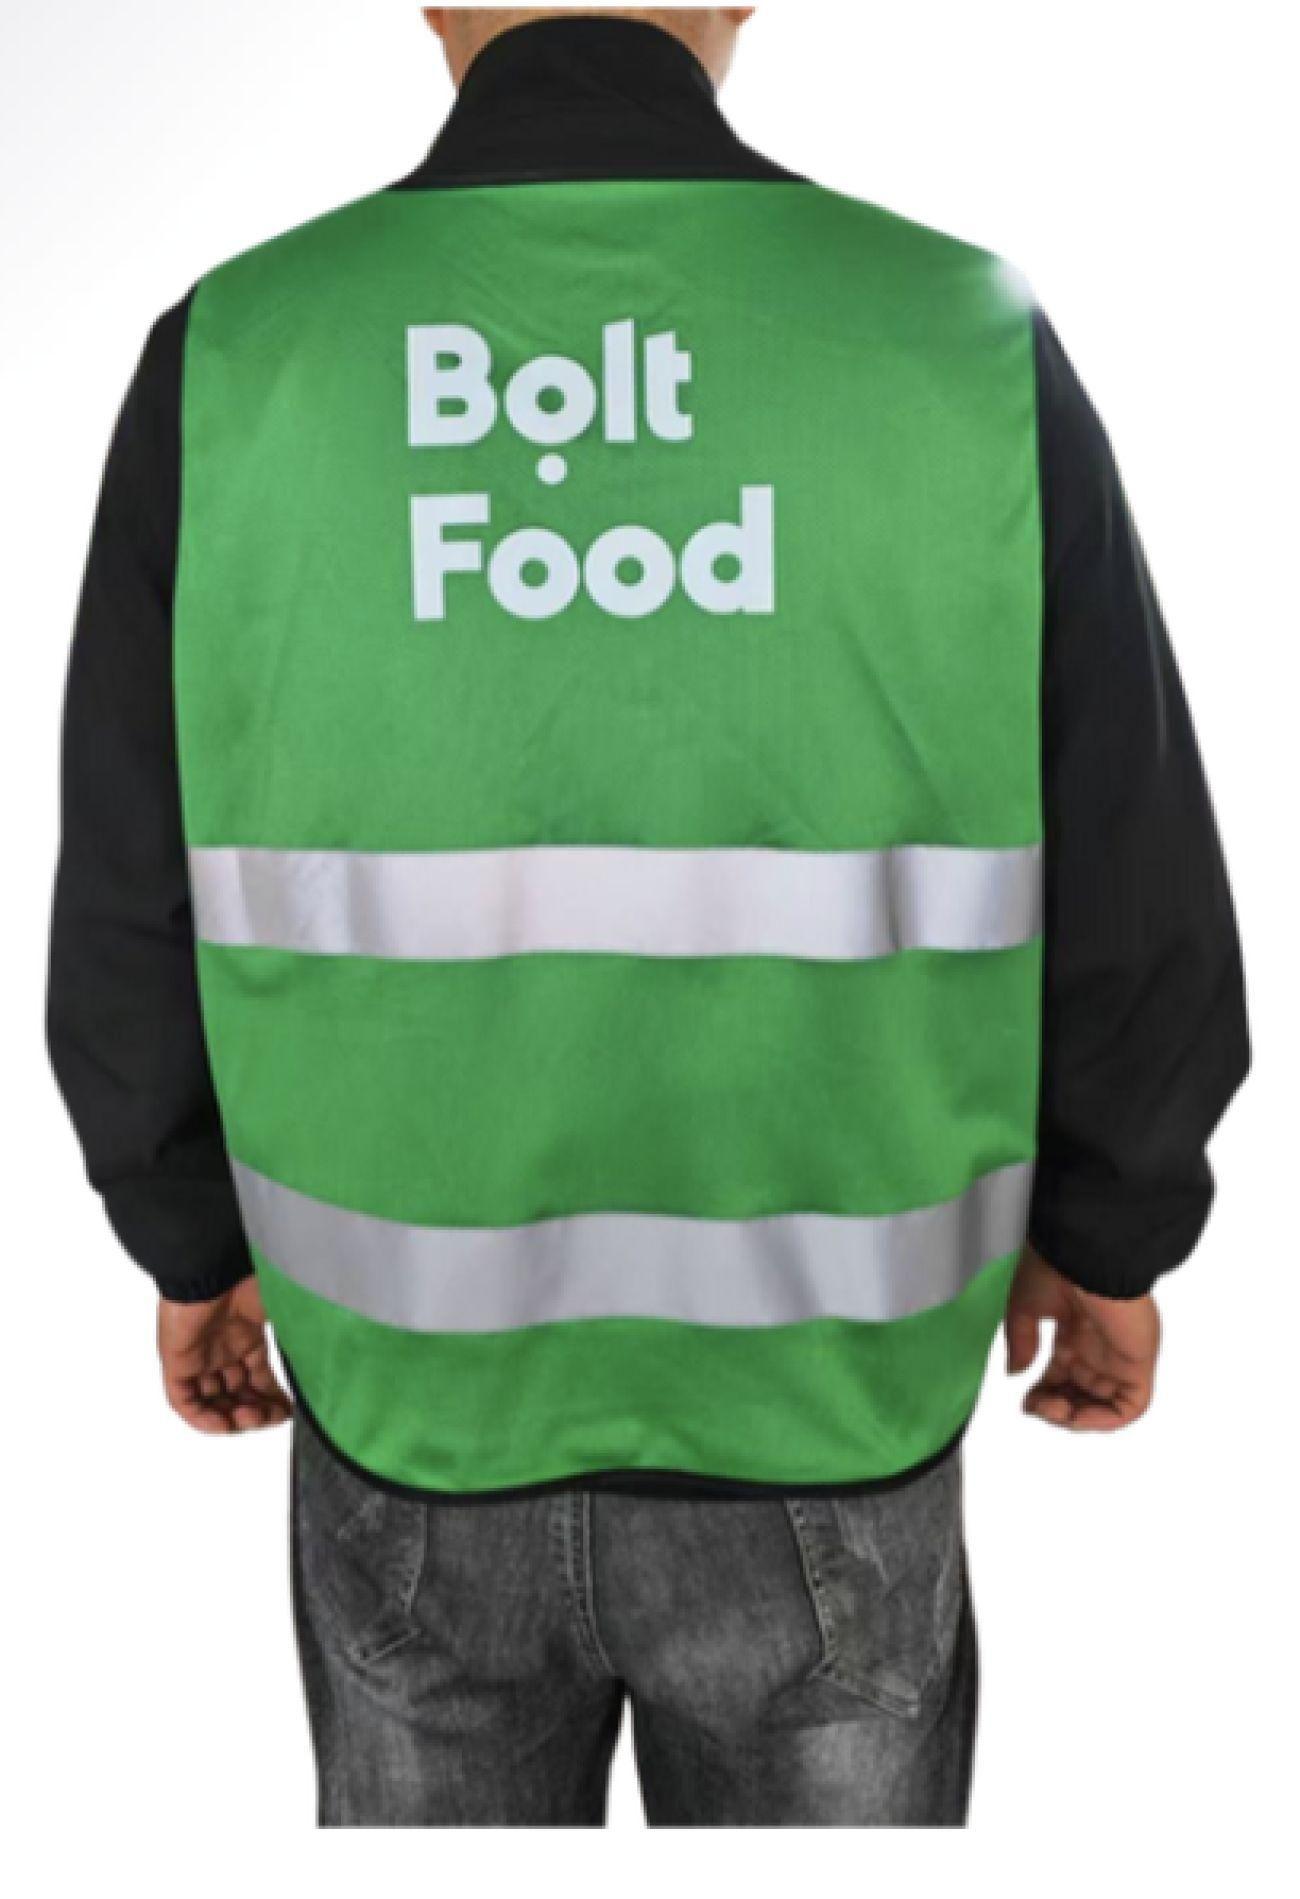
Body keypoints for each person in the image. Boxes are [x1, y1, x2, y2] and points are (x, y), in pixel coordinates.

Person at [48, 6, 1248, 1828]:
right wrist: (1114, 1228)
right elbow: (1131, 843)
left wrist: (187, 1239)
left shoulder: (238, 352)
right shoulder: (958, 332)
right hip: (829, 1413)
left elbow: (130, 868)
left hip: (414, 1413)